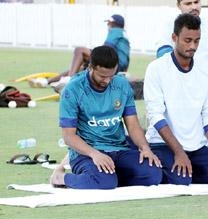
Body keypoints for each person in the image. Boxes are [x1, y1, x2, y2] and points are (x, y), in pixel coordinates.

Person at [50, 45, 161, 189]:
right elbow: (69, 137)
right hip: (87, 153)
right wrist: (95, 154)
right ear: (90, 67)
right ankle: (61, 177)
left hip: (119, 149)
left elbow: (133, 125)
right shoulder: (72, 90)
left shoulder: (122, 85)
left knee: (153, 174)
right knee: (105, 181)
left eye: (111, 76)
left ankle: (106, 177)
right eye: (102, 76)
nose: (107, 81)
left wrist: (145, 148)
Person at [144, 13, 208, 185]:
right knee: (181, 180)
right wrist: (178, 151)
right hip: (163, 144)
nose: (192, 46)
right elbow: (155, 115)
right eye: (187, 40)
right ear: (174, 38)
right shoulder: (156, 69)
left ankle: (188, 169)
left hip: (197, 145)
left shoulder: (206, 70)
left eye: (197, 40)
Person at [30, 14, 130, 88]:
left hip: (112, 64)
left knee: (80, 50)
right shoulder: (123, 35)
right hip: (118, 67)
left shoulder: (115, 31)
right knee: (81, 67)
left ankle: (69, 80)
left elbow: (107, 48)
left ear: (113, 23)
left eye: (108, 22)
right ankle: (46, 81)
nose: (107, 24)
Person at [155, 0, 208, 64]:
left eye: (196, 2)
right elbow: (162, 54)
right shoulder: (169, 27)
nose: (194, 7)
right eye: (188, 4)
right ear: (178, 5)